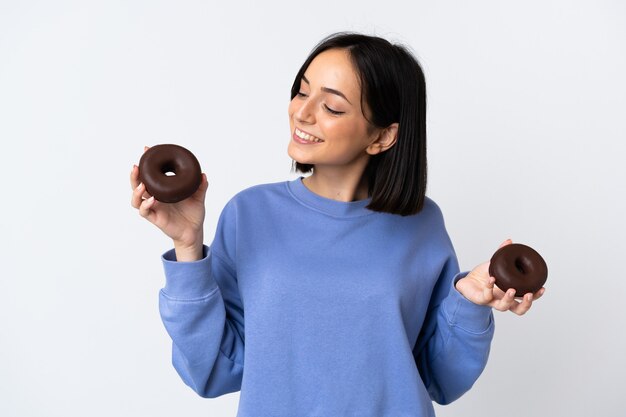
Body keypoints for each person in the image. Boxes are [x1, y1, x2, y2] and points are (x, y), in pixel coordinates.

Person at [130, 32, 544, 417]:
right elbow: (215, 370)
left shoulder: (421, 222)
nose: (303, 113)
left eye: (331, 106)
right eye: (302, 91)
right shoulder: (249, 213)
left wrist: (468, 304)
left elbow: (442, 380)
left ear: (382, 137)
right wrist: (187, 246)